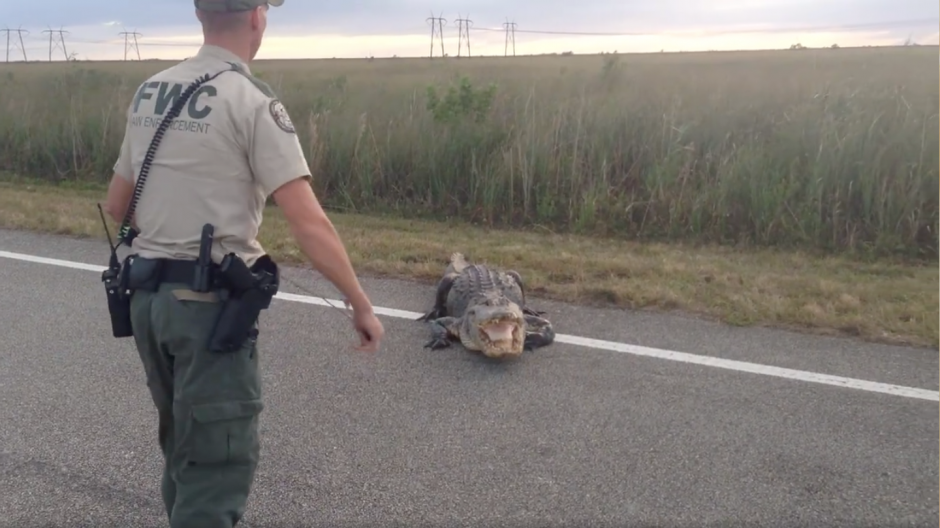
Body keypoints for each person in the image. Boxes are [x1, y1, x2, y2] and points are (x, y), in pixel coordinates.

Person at [102, 0, 385, 526]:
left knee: (184, 448)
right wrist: (360, 303)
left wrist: (168, 232)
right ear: (257, 16)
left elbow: (118, 206)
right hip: (206, 310)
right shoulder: (251, 99)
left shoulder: (150, 90)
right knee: (217, 467)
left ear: (199, 14)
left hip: (147, 303)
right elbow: (307, 222)